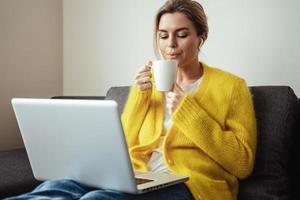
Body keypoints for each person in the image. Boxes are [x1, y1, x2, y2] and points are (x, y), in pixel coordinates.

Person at [6, 0, 256, 199]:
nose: (171, 45)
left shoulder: (232, 87)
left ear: (200, 37)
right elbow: (121, 147)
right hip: (136, 176)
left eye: (181, 34)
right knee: (56, 188)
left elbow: (243, 163)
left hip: (191, 184)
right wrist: (139, 97)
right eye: (163, 35)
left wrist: (190, 113)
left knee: (98, 198)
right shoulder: (148, 83)